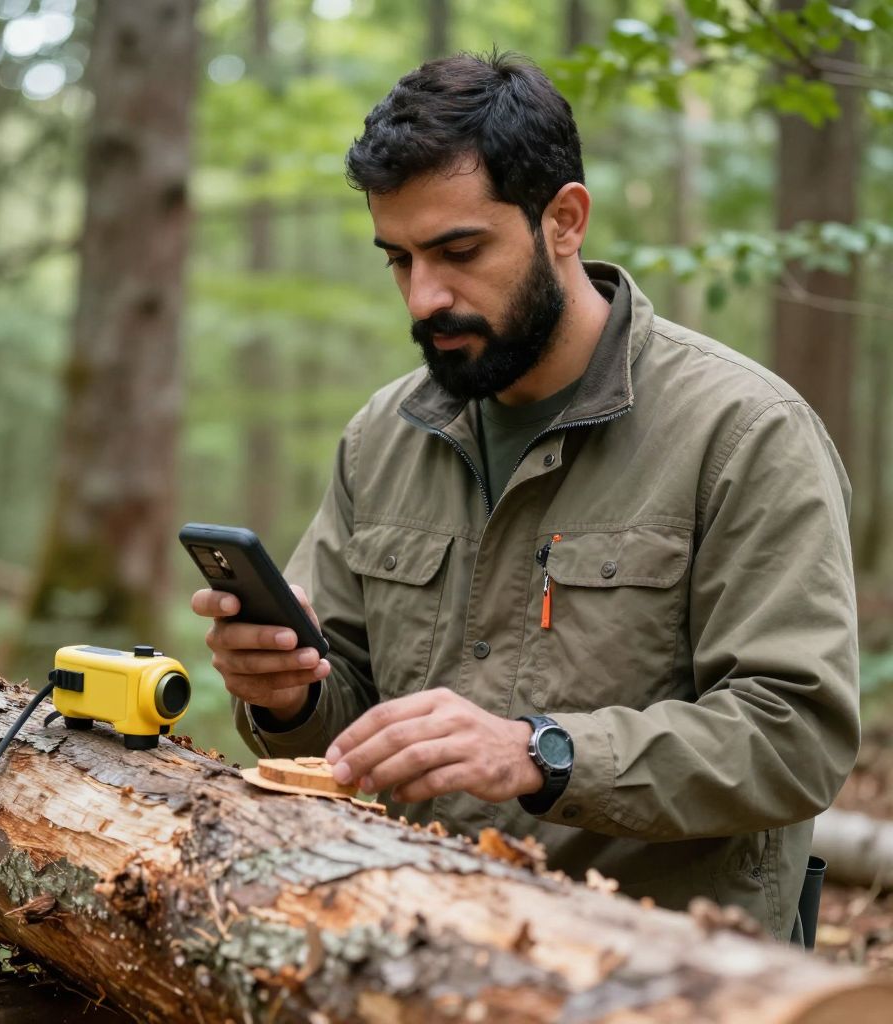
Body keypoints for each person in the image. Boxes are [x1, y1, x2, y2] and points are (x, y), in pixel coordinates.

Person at [192, 52, 859, 941]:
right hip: (413, 950)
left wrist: (543, 755)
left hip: (672, 972)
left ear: (564, 221)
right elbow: (341, 724)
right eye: (399, 259)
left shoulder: (743, 433)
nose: (425, 297)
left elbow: (794, 736)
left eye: (460, 251)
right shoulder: (383, 437)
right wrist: (287, 697)